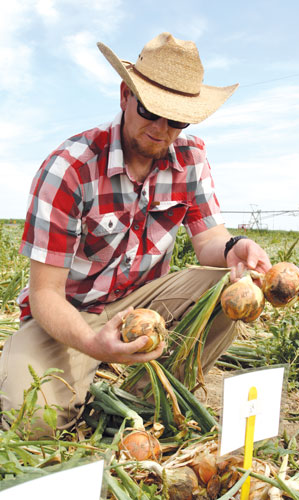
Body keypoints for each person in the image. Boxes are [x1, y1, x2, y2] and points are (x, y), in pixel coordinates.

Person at [0, 33, 271, 437]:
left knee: (226, 292)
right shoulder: (71, 168)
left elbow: (209, 239)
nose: (161, 129)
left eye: (176, 119)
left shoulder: (190, 158)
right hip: (71, 312)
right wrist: (93, 345)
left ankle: (142, 398)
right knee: (32, 423)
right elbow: (44, 295)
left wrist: (235, 247)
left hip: (144, 305)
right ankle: (82, 377)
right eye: (150, 111)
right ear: (125, 95)